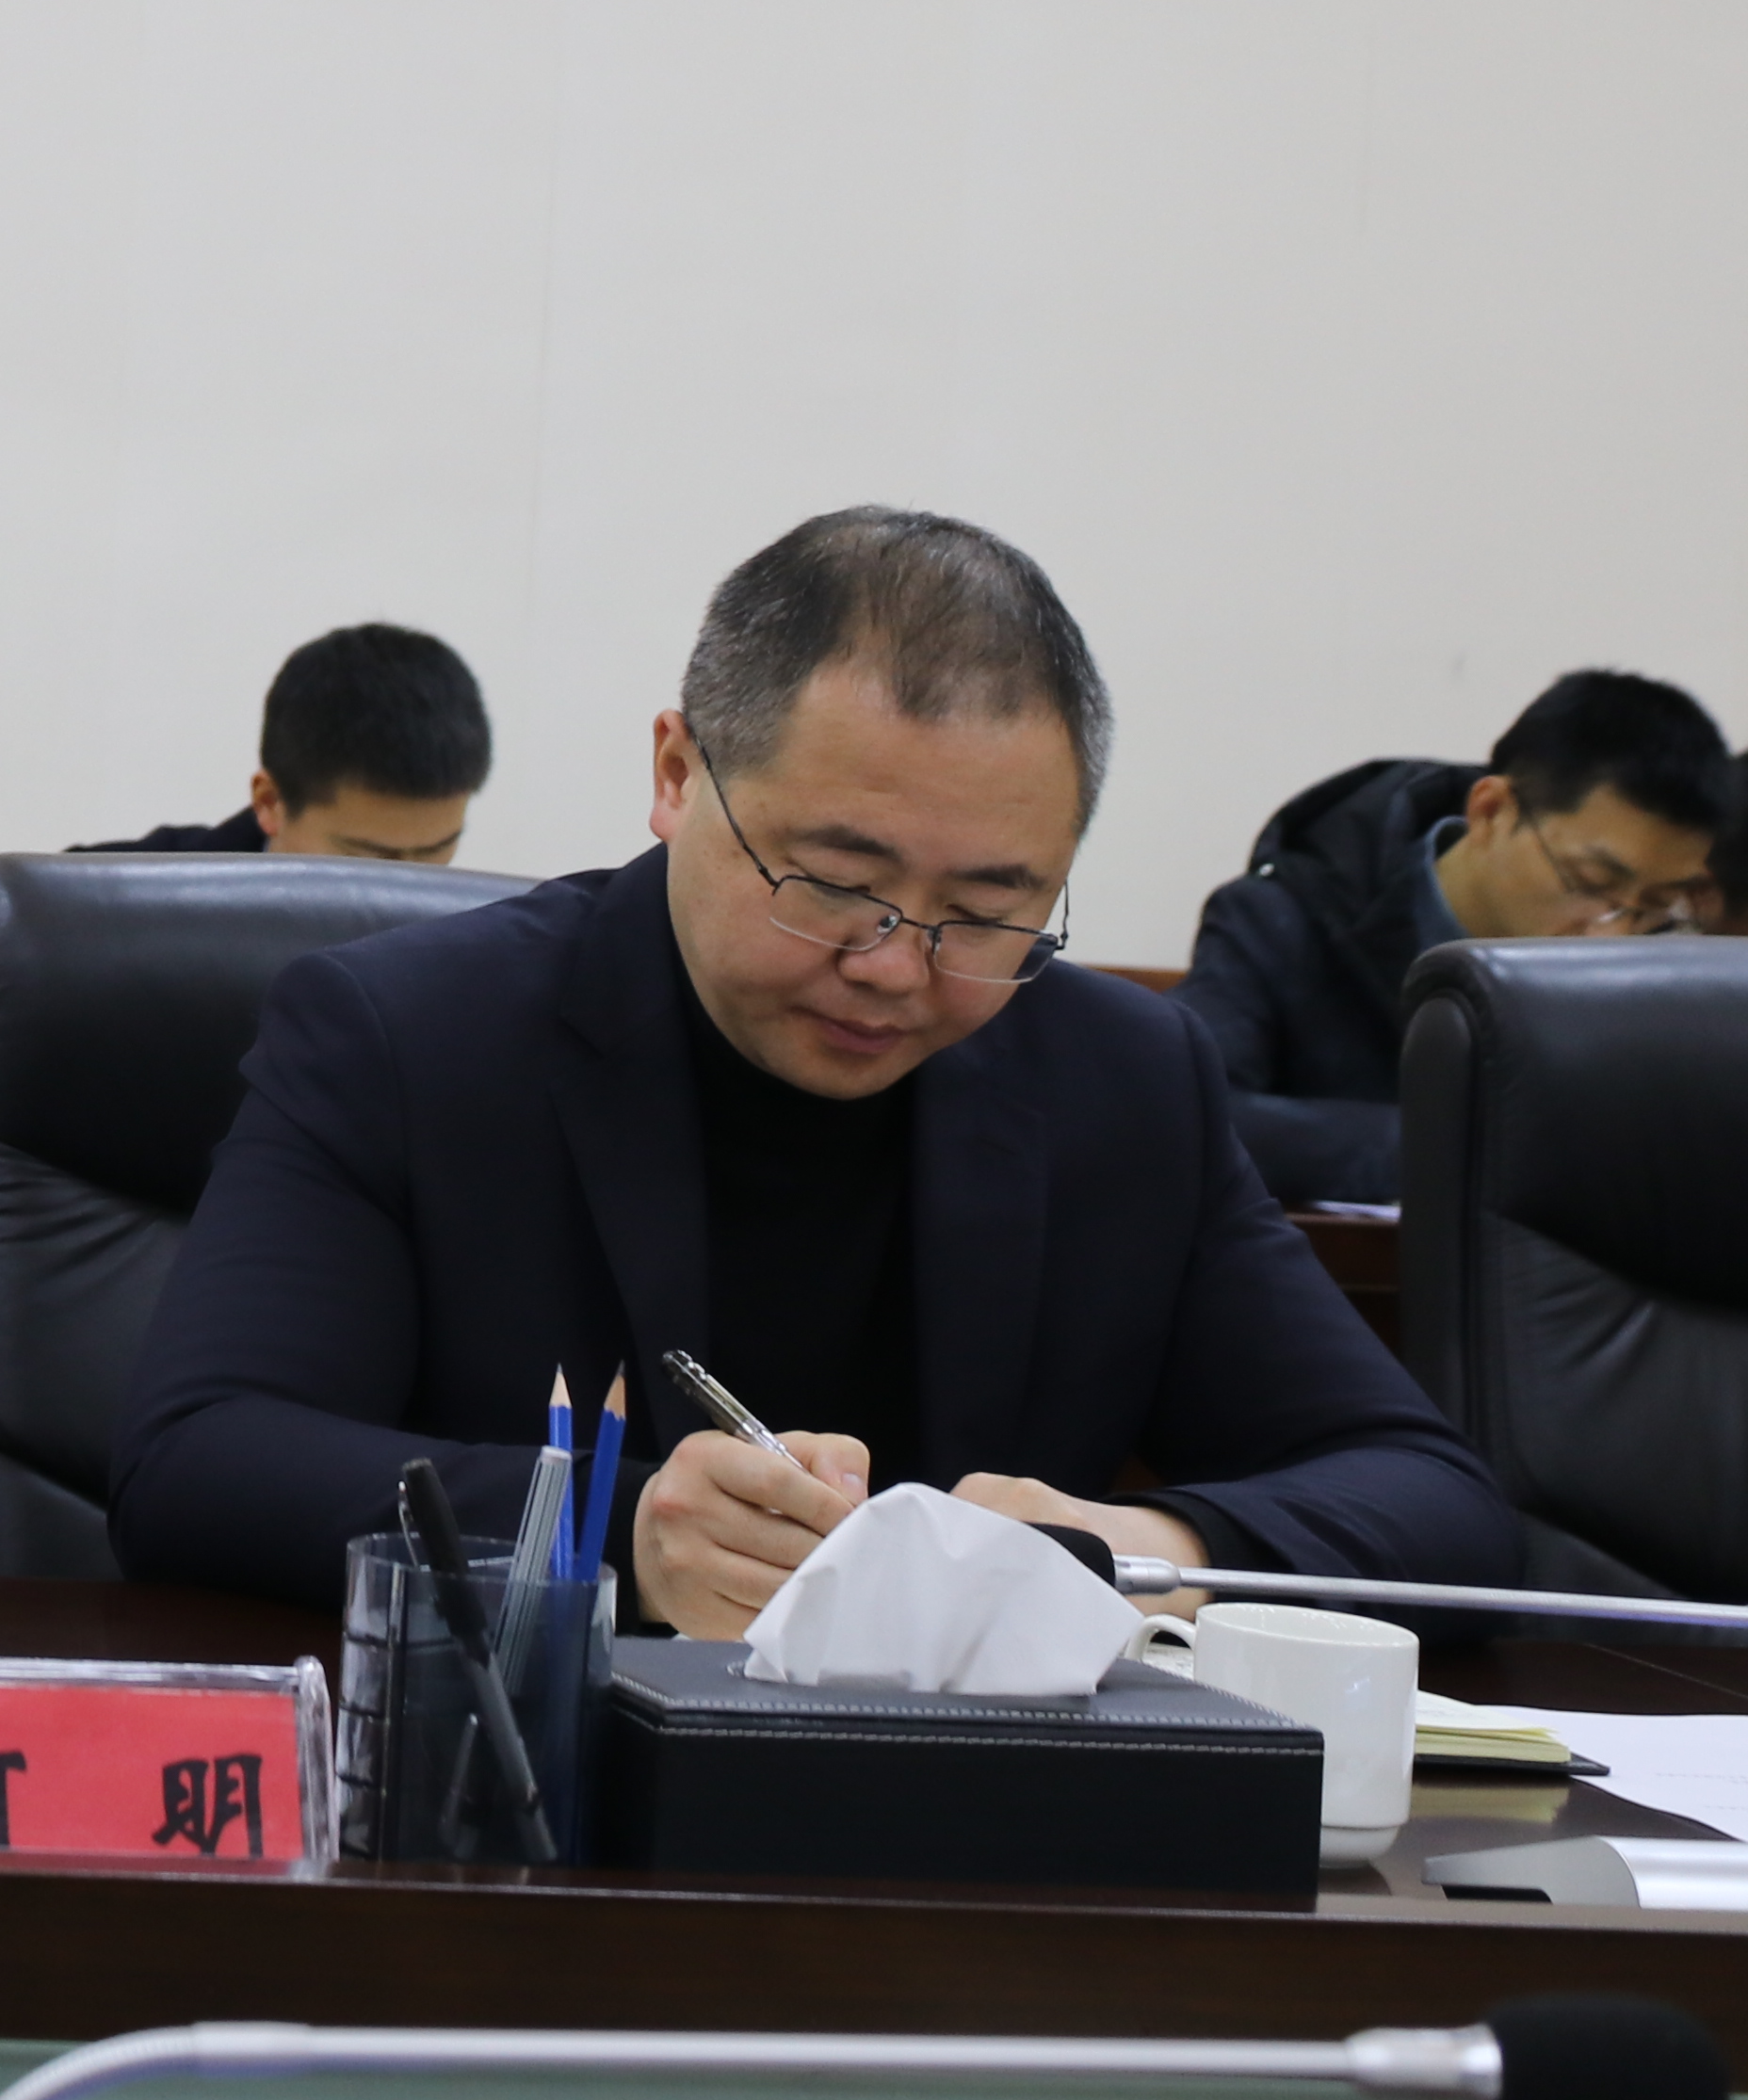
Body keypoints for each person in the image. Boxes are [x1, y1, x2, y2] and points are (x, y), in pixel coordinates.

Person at [114, 507, 1512, 1635]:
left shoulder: (1124, 1079)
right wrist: (611, 1533)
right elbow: (197, 1458)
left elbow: (1436, 1503)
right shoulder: (410, 1034)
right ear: (678, 776)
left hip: (971, 1831)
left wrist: (1141, 1549)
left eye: (988, 910)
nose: (897, 966)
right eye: (836, 884)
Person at [1183, 671, 1728, 1208]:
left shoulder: (1660, 964)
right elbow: (1199, 1117)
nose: (1614, 933)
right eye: (1592, 882)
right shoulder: (1281, 918)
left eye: (1657, 903)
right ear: (1491, 811)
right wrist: (1477, 1146)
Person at [87, 622, 491, 861]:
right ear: (270, 802)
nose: (406, 898)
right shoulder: (91, 914)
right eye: (370, 859)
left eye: (436, 851)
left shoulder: (491, 948)